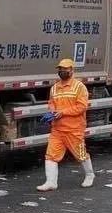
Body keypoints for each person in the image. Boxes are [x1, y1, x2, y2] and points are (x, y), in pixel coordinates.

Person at [37, 58, 95, 191]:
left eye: (66, 69)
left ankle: (90, 174)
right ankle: (51, 182)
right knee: (51, 155)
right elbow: (52, 102)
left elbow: (81, 107)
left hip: (74, 129)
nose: (63, 71)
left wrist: (62, 112)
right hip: (57, 129)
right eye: (61, 69)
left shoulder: (79, 87)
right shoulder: (54, 88)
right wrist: (52, 111)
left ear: (72, 70)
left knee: (80, 154)